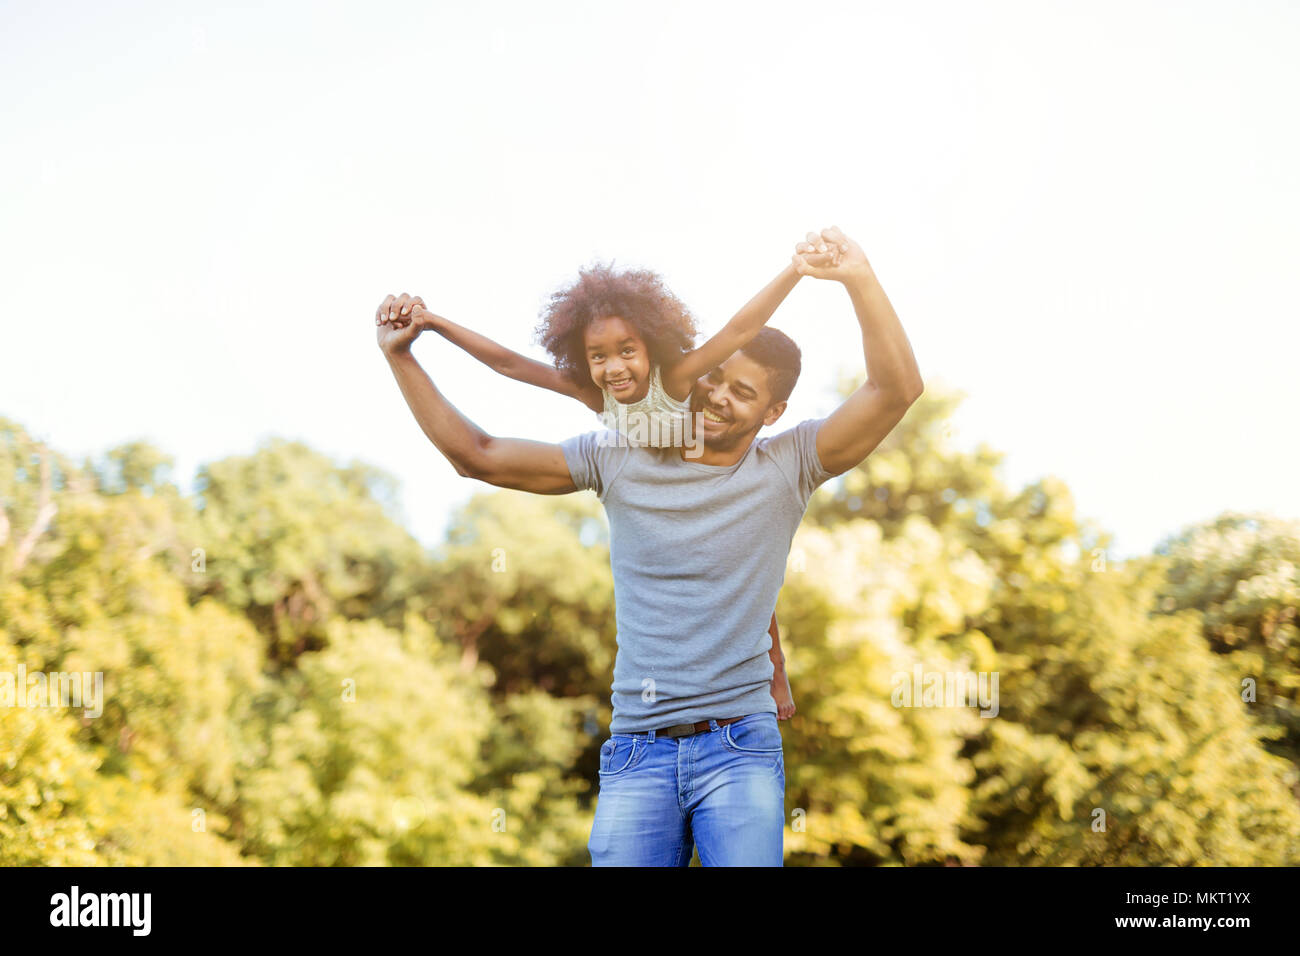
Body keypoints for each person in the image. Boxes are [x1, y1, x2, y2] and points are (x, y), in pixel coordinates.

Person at [376, 226, 923, 866]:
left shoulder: (791, 462)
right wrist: (402, 356)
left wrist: (857, 277)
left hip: (740, 747)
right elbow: (480, 456)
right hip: (638, 749)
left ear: (773, 412)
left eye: (743, 392)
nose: (717, 396)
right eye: (714, 379)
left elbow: (895, 391)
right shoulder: (616, 453)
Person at [383, 257, 812, 717]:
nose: (615, 368)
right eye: (598, 356)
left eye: (628, 350)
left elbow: (738, 329)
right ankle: (773, 664)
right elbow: (509, 364)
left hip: (707, 451)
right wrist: (432, 325)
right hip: (671, 473)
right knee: (710, 555)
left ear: (651, 346)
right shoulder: (594, 394)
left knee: (736, 560)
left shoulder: (680, 380)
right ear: (583, 358)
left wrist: (796, 270)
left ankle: (775, 665)